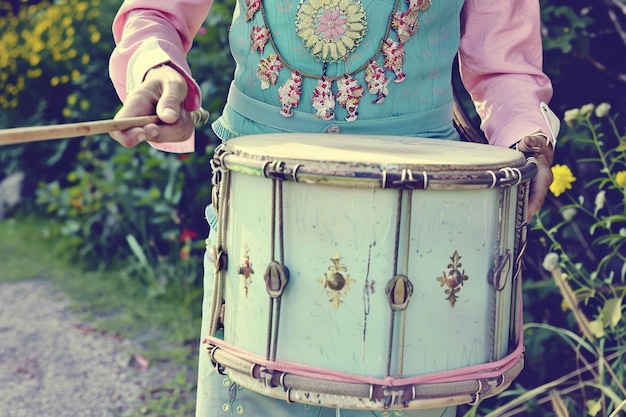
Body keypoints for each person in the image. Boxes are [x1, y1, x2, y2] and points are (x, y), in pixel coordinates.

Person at [109, 1, 559, 416]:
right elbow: (156, 13)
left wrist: (527, 138)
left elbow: (506, 66)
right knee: (250, 390)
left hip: (422, 218)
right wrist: (156, 68)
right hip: (257, 214)